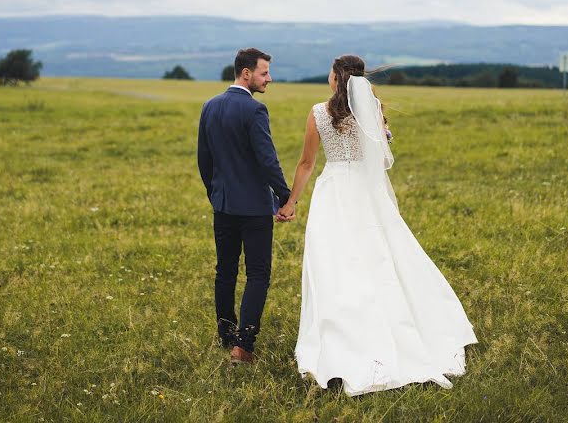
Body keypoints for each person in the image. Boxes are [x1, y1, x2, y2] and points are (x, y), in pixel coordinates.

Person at [280, 55, 478, 395]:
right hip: (365, 192)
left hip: (334, 192)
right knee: (378, 254)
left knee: (334, 261)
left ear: (335, 78)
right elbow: (380, 150)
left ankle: (342, 329)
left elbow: (307, 162)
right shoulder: (371, 110)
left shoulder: (317, 113)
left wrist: (290, 202)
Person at [197, 47, 294, 365]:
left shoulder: (210, 106)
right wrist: (285, 197)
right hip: (253, 208)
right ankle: (243, 345)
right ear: (246, 73)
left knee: (224, 271)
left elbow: (204, 160)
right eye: (264, 73)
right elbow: (268, 160)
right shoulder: (255, 111)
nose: (269, 78)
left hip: (223, 205)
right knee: (257, 274)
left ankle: (226, 335)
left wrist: (216, 194)